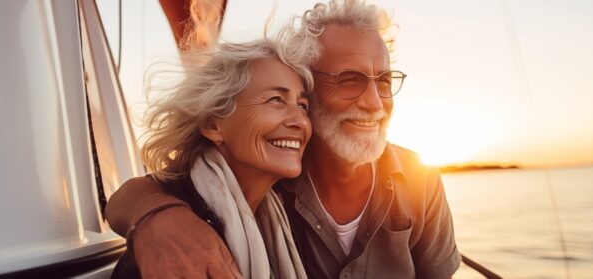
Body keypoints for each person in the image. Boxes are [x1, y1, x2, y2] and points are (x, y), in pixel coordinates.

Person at [106, 0, 461, 278]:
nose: (373, 103)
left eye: (383, 81)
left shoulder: (421, 180)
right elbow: (135, 194)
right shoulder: (273, 170)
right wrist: (159, 217)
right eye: (350, 79)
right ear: (312, 89)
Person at [110, 38, 315, 279]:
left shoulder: (284, 217)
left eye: (302, 106)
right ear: (212, 124)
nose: (299, 121)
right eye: (276, 100)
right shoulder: (177, 243)